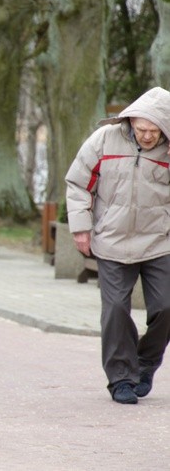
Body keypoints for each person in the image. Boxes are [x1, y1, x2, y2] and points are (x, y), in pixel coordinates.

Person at [65, 86, 170, 405]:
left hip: (159, 241)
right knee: (115, 311)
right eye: (142, 129)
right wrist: (82, 228)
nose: (148, 136)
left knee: (166, 307)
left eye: (154, 131)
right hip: (111, 241)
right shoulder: (103, 140)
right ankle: (121, 378)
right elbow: (78, 183)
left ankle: (146, 363)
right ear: (130, 122)